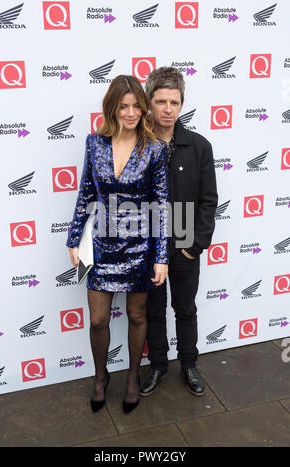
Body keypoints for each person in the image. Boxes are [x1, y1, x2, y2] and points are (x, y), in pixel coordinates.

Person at [66, 75, 169, 413]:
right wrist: (73, 239)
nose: (131, 113)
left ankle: (130, 379)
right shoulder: (94, 143)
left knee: (137, 316)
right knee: (98, 320)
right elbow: (85, 193)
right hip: (97, 244)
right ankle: (100, 377)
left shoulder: (154, 148)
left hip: (140, 246)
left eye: (136, 106)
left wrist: (161, 257)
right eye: (123, 106)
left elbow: (162, 204)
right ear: (112, 107)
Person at [140, 67, 218, 397]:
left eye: (174, 101)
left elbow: (208, 200)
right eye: (161, 101)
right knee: (153, 311)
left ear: (182, 103)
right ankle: (158, 365)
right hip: (149, 243)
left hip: (185, 236)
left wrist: (194, 246)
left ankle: (189, 365)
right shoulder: (137, 144)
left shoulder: (199, 146)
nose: (168, 108)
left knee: (185, 309)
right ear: (149, 103)